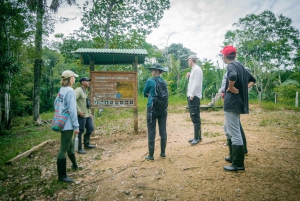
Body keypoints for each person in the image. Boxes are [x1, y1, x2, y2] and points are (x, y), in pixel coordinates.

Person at [220, 45, 256, 171]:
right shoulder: (240, 65)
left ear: (225, 56)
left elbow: (233, 75)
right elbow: (253, 79)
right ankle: (233, 156)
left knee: (234, 131)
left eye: (222, 56)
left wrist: (230, 87)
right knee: (227, 127)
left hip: (232, 102)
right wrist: (242, 90)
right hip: (237, 101)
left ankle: (238, 163)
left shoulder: (231, 66)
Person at [55, 70, 81, 183]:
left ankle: (75, 165)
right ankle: (62, 176)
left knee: (69, 145)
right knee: (63, 148)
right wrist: (76, 126)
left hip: (61, 122)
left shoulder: (62, 90)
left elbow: (55, 103)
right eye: (74, 77)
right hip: (68, 124)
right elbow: (72, 109)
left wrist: (60, 113)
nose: (74, 79)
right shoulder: (70, 91)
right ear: (70, 79)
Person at [143, 64, 168, 161]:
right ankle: (163, 153)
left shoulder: (150, 81)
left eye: (152, 70)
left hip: (152, 108)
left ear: (156, 71)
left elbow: (144, 93)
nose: (151, 72)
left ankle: (151, 155)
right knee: (163, 130)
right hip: (163, 109)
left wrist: (150, 94)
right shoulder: (164, 82)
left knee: (151, 130)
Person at [75, 77, 96, 154]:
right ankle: (79, 148)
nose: (88, 82)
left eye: (89, 81)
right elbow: (73, 100)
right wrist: (79, 111)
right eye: (87, 81)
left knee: (90, 128)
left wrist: (89, 113)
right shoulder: (78, 90)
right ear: (82, 82)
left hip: (87, 115)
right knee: (80, 131)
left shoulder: (85, 91)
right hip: (81, 115)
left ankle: (86, 144)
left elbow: (86, 103)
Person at [186, 54, 203, 145]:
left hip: (194, 96)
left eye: (188, 60)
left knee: (195, 117)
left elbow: (196, 83)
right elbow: (192, 82)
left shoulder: (196, 69)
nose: (188, 61)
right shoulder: (194, 70)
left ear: (191, 60)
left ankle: (196, 138)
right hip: (193, 95)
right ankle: (198, 136)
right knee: (195, 116)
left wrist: (192, 95)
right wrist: (189, 77)